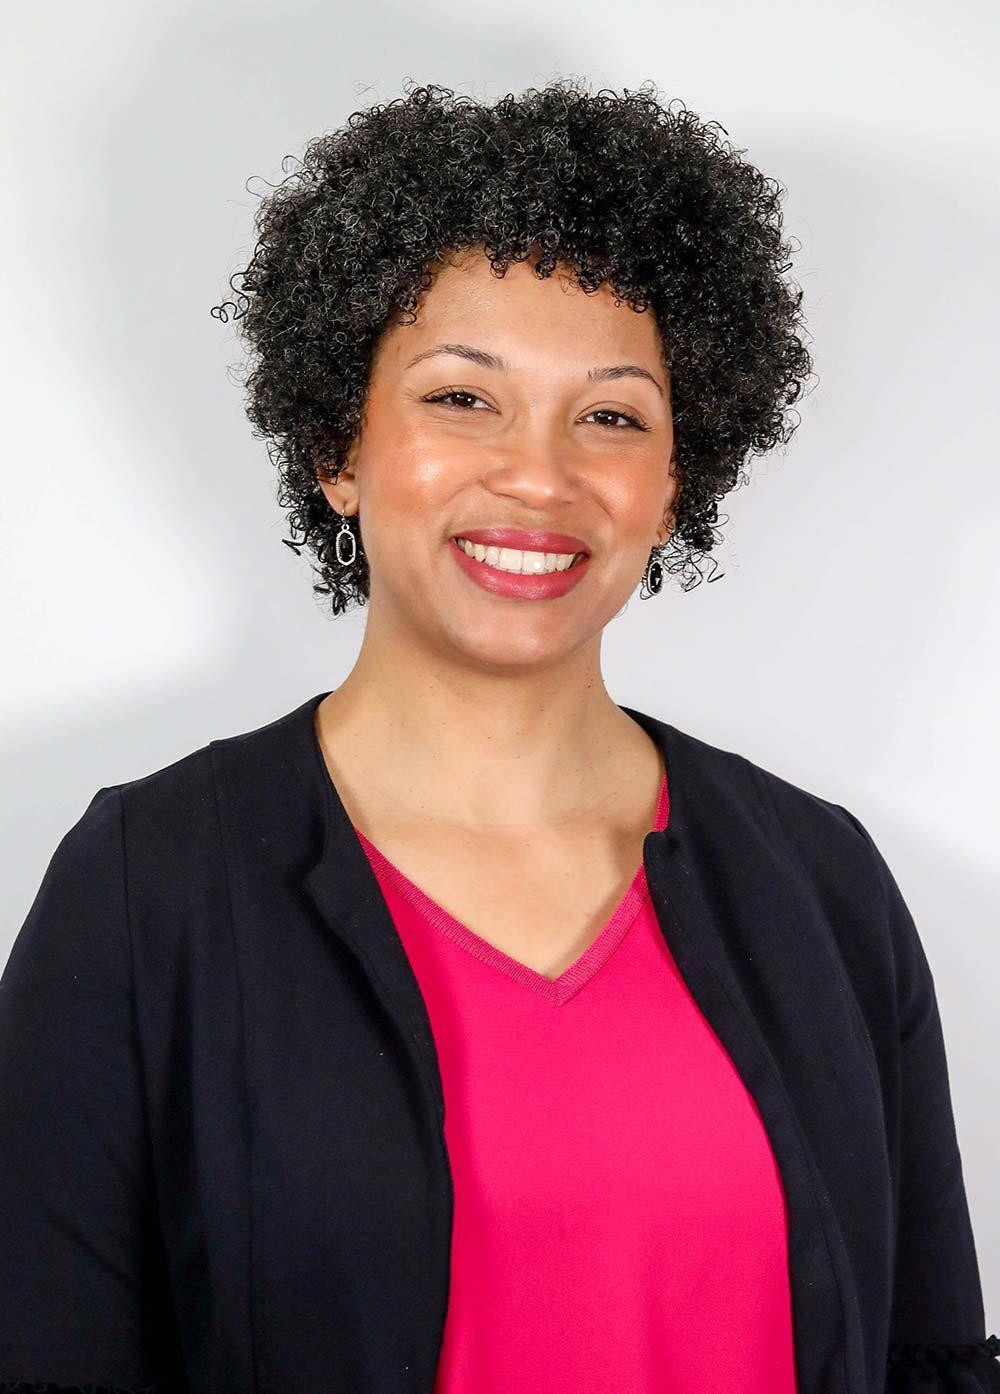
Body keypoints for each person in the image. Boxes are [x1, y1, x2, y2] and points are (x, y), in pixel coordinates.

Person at [1, 78, 996, 1394]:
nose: (540, 472)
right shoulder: (148, 887)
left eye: (613, 414)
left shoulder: (823, 884)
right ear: (336, 447)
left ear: (672, 482)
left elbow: (929, 1360)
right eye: (462, 398)